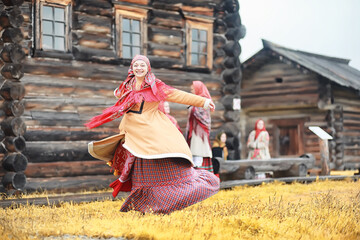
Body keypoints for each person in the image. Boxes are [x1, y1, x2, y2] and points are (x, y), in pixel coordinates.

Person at [86, 55, 219, 214]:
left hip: (150, 131)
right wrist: (117, 92)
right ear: (132, 68)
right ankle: (144, 205)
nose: (139, 68)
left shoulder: (156, 86)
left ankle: (165, 201)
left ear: (147, 68)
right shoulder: (127, 85)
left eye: (142, 65)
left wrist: (203, 101)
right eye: (136, 65)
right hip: (133, 133)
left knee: (157, 159)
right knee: (138, 166)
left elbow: (177, 95)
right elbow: (118, 94)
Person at [186, 81, 214, 173]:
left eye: (192, 89)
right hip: (194, 132)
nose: (191, 91)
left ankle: (201, 175)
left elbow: (203, 118)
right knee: (194, 154)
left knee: (199, 153)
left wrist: (193, 106)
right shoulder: (195, 100)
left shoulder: (204, 101)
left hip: (200, 133)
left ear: (198, 89)